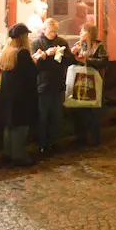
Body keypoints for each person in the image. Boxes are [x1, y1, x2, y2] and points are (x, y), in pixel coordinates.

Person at [0, 23, 42, 167]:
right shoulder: (22, 53)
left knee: (9, 125)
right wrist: (37, 59)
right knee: (20, 125)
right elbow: (33, 72)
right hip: (21, 96)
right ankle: (19, 156)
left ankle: (7, 154)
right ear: (23, 37)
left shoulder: (7, 52)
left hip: (7, 94)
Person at [32, 18, 76, 156]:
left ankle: (54, 142)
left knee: (56, 116)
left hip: (58, 84)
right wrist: (46, 54)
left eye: (55, 31)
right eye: (51, 31)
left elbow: (70, 60)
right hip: (43, 85)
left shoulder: (61, 42)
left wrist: (63, 54)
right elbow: (35, 65)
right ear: (44, 30)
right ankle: (42, 144)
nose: (53, 34)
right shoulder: (36, 43)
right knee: (42, 116)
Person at [70, 22, 109, 145]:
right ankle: (81, 137)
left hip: (94, 81)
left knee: (94, 110)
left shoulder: (99, 46)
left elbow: (103, 61)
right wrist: (72, 54)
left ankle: (95, 138)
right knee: (81, 109)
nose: (80, 33)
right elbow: (72, 61)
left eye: (83, 31)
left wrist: (88, 61)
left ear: (89, 33)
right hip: (81, 80)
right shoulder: (78, 45)